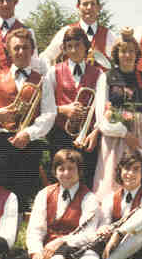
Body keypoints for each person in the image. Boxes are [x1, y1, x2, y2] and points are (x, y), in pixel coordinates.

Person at [0, 149, 100, 259]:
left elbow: (88, 234)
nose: (66, 173)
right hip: (45, 246)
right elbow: (35, 229)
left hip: (72, 247)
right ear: (55, 172)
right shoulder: (44, 194)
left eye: (71, 169)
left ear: (79, 172)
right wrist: (36, 252)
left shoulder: (89, 198)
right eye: (61, 169)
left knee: (61, 255)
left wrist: (61, 241)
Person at [53, 152, 142, 259]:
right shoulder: (111, 198)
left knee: (137, 233)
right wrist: (103, 229)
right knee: (96, 245)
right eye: (126, 169)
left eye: (136, 169)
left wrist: (119, 232)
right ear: (120, 171)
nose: (130, 174)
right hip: (115, 248)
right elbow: (104, 221)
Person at [0, 28, 56, 213]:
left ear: (32, 51)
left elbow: (49, 114)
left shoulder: (42, 81)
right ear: (9, 51)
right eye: (16, 48)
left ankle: (20, 235)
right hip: (1, 142)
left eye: (25, 48)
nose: (21, 52)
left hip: (28, 143)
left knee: (24, 194)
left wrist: (28, 133)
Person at [92, 29, 142, 201]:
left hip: (140, 137)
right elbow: (101, 115)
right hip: (114, 137)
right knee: (112, 180)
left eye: (131, 51)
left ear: (136, 54)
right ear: (117, 54)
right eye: (123, 51)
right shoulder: (106, 78)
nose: (127, 55)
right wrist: (124, 133)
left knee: (138, 178)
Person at [43, 26, 104, 189]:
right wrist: (64, 110)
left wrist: (94, 131)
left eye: (78, 45)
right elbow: (43, 107)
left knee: (86, 179)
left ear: (86, 46)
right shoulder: (53, 72)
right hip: (60, 135)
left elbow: (102, 108)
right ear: (64, 49)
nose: (74, 50)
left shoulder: (99, 74)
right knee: (60, 179)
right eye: (69, 46)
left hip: (86, 138)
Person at [41, 0, 116, 66]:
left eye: (93, 4)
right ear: (78, 7)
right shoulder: (66, 31)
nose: (89, 7)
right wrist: (52, 74)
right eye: (85, 4)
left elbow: (118, 63)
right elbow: (45, 57)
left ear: (99, 8)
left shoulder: (109, 35)